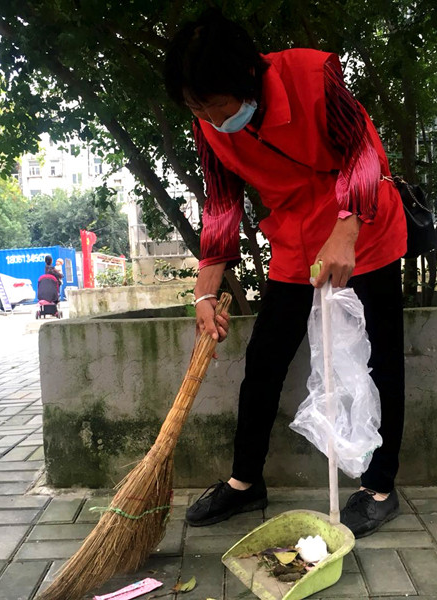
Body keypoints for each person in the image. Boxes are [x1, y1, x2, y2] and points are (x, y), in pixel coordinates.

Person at [164, 11, 407, 538]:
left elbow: (362, 150)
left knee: (382, 357)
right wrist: (204, 291)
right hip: (297, 236)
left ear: (248, 77)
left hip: (364, 223)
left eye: (213, 103)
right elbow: (223, 201)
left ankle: (380, 487)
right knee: (265, 359)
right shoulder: (209, 126)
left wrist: (348, 228)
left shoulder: (310, 76)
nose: (206, 115)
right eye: (194, 106)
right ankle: (245, 483)